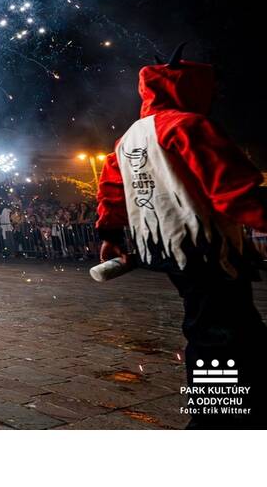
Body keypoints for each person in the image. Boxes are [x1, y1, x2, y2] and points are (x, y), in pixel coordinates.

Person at [96, 45, 267, 428]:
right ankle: (214, 425)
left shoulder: (127, 139)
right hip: (204, 250)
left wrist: (110, 234)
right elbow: (233, 190)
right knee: (217, 337)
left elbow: (110, 190)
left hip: (169, 250)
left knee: (237, 332)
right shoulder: (186, 125)